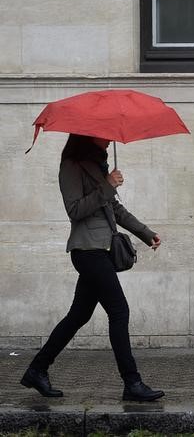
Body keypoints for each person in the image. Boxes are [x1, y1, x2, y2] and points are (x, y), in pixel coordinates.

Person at [20, 134, 165, 401]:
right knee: (119, 311)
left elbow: (115, 210)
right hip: (87, 251)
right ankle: (132, 383)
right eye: (104, 135)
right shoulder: (71, 166)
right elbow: (75, 210)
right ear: (88, 136)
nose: (109, 139)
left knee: (78, 316)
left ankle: (36, 370)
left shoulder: (98, 165)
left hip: (102, 251)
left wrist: (146, 233)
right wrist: (107, 186)